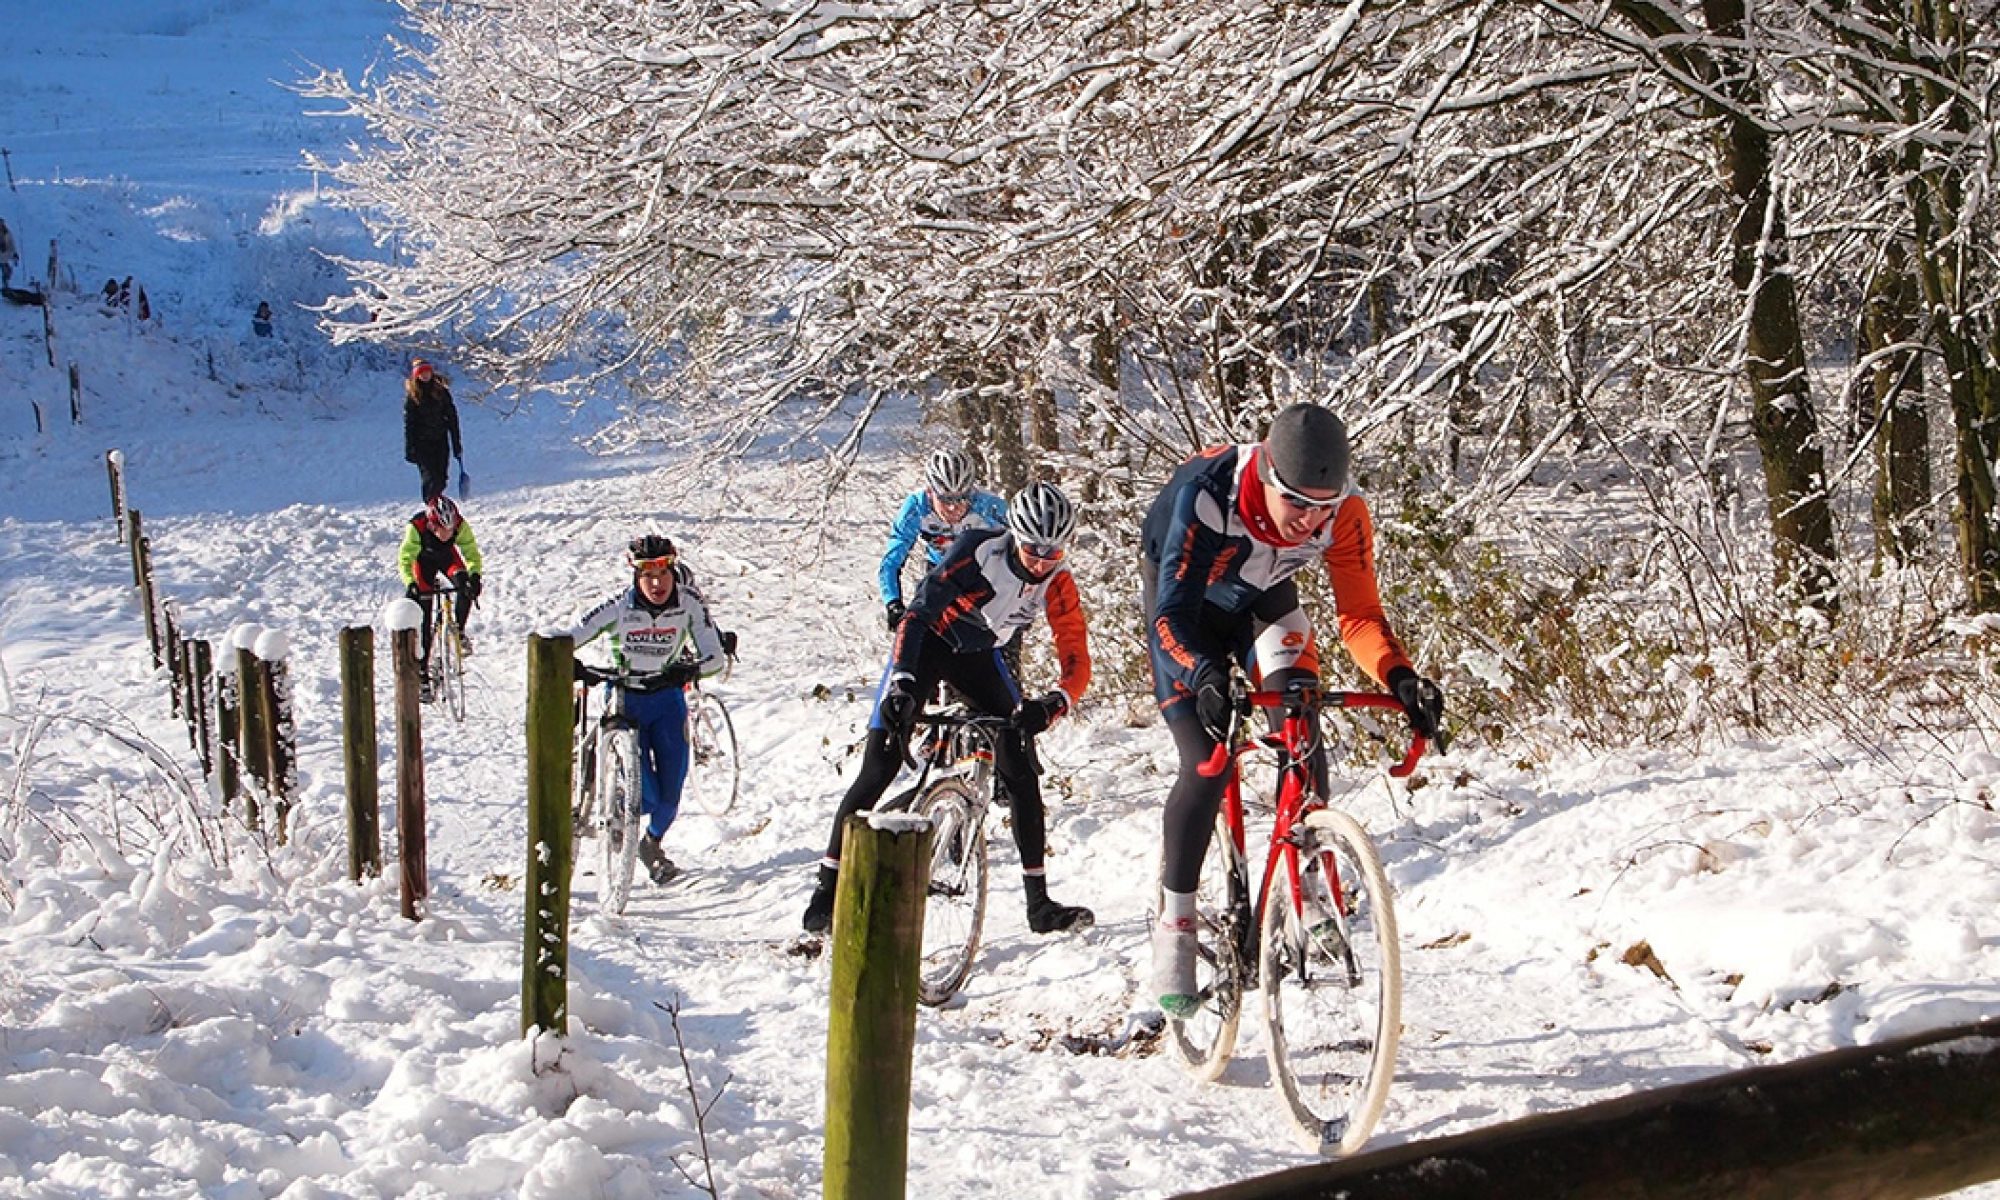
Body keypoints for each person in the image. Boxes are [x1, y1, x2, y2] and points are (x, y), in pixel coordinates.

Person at [1141, 403, 1445, 1017]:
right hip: (1186, 613)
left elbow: (1359, 617)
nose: (1310, 522)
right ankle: (1177, 926)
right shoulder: (1209, 493)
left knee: (1302, 724)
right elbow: (1170, 615)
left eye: (1323, 508)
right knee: (1206, 761)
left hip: (1263, 602)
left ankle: (1306, 884)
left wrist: (1401, 677)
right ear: (1267, 476)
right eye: (1297, 505)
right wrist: (1203, 674)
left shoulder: (1344, 514)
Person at [803, 481, 1094, 937]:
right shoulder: (978, 550)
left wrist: (1055, 703)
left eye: (1053, 553)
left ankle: (1039, 905)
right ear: (1015, 536)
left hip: (977, 656)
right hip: (927, 647)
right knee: (879, 766)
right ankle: (825, 889)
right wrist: (902, 682)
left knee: (1020, 766)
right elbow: (917, 616)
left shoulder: (1058, 581)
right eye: (1034, 550)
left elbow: (1076, 655)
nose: (1042, 563)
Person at [557, 535, 733, 885]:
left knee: (670, 797)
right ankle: (621, 802)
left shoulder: (689, 604)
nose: (657, 584)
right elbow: (568, 637)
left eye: (663, 574)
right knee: (646, 795)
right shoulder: (618, 607)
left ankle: (650, 843)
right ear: (636, 576)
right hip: (626, 701)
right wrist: (567, 661)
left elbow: (714, 657)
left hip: (667, 701)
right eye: (648, 576)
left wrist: (689, 670)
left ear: (673, 571)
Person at [877, 448, 1007, 631]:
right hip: (940, 575)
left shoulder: (990, 508)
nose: (953, 508)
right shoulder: (917, 508)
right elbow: (891, 562)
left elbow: (1021, 550)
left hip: (983, 576)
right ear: (931, 492)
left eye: (962, 498)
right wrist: (893, 603)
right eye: (946, 500)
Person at [398, 494, 484, 701]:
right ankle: (422, 674)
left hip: (447, 558)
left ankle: (458, 631)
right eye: (444, 530)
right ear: (432, 526)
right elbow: (405, 559)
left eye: (451, 530)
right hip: (423, 563)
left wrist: (475, 576)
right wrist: (410, 583)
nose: (448, 534)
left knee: (465, 586)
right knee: (424, 620)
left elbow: (471, 552)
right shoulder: (416, 528)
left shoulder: (460, 525)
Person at [403, 358, 463, 501]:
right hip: (422, 444)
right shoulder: (413, 397)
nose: (425, 375)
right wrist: (409, 448)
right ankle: (431, 506)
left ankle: (436, 504)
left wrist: (456, 443)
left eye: (427, 372)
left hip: (440, 440)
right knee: (430, 478)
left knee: (442, 478)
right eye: (421, 373)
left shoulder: (441, 392)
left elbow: (452, 418)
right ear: (416, 375)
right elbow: (409, 424)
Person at [0, 218, 17, 289]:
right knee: (5, 270)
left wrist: (15, 254)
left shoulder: (7, 233)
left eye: (1, 223)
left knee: (8, 271)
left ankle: (6, 286)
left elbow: (11, 244)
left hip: (4, 256)